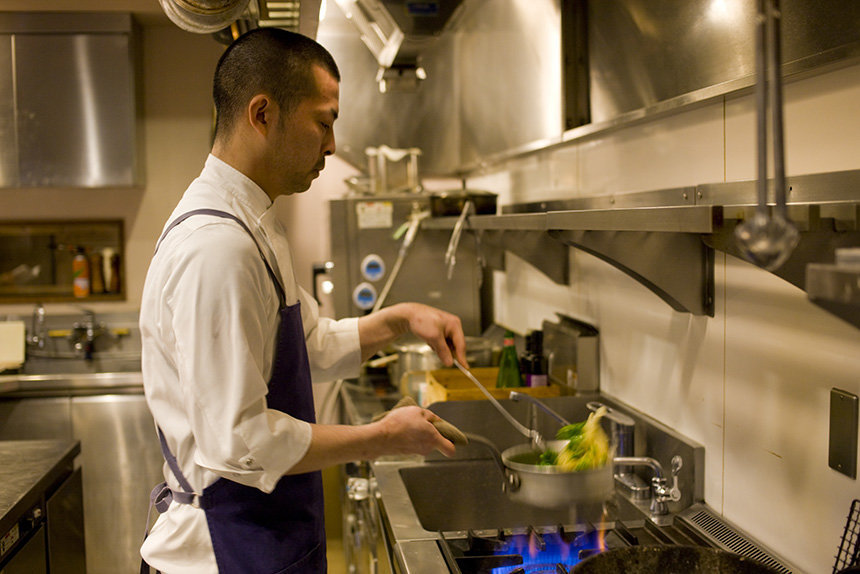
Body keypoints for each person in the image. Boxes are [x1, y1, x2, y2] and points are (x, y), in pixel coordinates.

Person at [139, 27, 468, 573]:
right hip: (221, 553)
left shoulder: (254, 224)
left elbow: (306, 344)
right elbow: (239, 442)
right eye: (324, 121)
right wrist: (380, 437)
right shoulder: (218, 248)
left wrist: (402, 320)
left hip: (264, 539)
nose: (332, 145)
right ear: (263, 114)